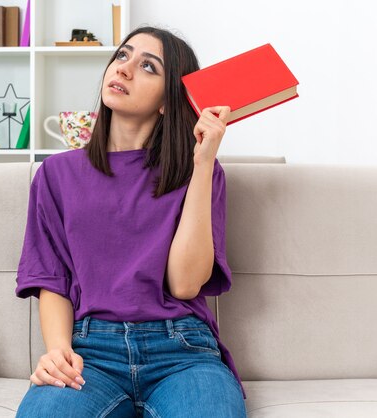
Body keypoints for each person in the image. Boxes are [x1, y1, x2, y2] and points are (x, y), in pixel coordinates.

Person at [15, 25, 247, 418]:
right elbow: (51, 278)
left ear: (167, 102)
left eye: (148, 67)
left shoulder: (199, 172)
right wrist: (58, 353)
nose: (123, 69)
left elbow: (185, 283)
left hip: (183, 351)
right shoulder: (56, 175)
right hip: (91, 351)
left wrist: (203, 161)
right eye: (122, 56)